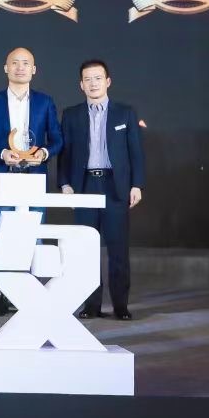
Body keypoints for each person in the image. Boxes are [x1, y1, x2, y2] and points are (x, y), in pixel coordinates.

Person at [0, 46, 64, 315]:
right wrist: (1, 153)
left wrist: (43, 153)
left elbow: (57, 139)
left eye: (26, 63)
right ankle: (1, 294)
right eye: (15, 62)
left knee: (33, 234)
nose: (20, 67)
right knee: (2, 235)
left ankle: (29, 294)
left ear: (34, 70)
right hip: (3, 176)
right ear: (6, 68)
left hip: (33, 179)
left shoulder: (45, 102)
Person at [59, 59, 144, 320]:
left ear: (108, 81)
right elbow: (64, 153)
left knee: (118, 249)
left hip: (115, 186)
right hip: (85, 185)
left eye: (98, 78)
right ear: (81, 85)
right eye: (88, 79)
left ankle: (121, 306)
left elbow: (136, 152)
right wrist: (65, 183)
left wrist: (137, 185)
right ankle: (91, 305)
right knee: (85, 249)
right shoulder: (71, 115)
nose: (93, 83)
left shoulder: (125, 113)